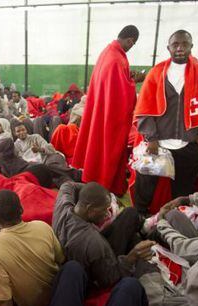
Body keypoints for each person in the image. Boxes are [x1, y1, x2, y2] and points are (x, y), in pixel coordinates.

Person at [134, 30, 198, 215]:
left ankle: (176, 222)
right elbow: (144, 107)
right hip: (158, 143)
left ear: (191, 47)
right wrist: (151, 138)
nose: (179, 48)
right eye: (175, 44)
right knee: (145, 186)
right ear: (168, 48)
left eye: (184, 44)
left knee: (183, 190)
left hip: (188, 144)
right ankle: (139, 218)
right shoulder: (156, 73)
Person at [52, 181, 152, 306]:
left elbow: (67, 185)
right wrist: (130, 257)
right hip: (95, 273)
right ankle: (145, 230)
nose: (107, 213)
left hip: (78, 254)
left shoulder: (63, 207)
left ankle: (141, 231)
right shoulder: (95, 242)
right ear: (90, 210)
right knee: (131, 215)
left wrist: (100, 194)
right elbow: (109, 278)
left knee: (129, 216)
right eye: (104, 209)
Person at [72, 25, 144, 196]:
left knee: (96, 149)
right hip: (110, 117)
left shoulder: (108, 53)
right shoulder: (117, 59)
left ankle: (95, 182)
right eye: (132, 44)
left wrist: (128, 78)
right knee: (107, 152)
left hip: (100, 112)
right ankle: (104, 187)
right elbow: (122, 94)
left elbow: (115, 85)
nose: (130, 48)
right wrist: (137, 81)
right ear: (129, 40)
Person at [0, 190, 65, 306]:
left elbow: (3, 302)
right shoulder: (43, 227)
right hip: (60, 297)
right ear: (21, 209)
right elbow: (60, 259)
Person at [14, 122, 81, 186]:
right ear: (14, 133)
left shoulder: (35, 137)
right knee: (53, 176)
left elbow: (51, 148)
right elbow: (20, 161)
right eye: (18, 131)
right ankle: (73, 186)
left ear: (26, 130)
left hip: (48, 157)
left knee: (52, 167)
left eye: (23, 130)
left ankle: (78, 174)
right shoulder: (15, 146)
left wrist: (39, 149)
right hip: (38, 166)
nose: (21, 132)